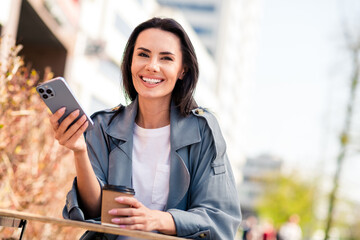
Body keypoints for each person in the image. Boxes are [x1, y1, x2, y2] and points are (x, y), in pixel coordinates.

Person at [50, 17, 241, 239]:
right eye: (143, 54)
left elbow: (220, 217)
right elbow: (95, 211)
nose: (152, 65)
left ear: (183, 70)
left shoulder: (203, 130)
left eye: (166, 58)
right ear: (130, 61)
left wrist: (158, 219)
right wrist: (79, 150)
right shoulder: (103, 126)